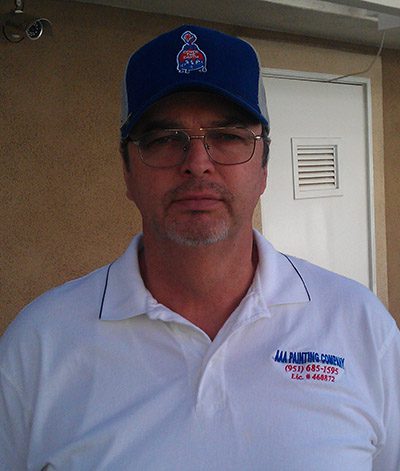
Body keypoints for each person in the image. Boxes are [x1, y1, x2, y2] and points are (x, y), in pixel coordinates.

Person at [1, 24, 399, 471]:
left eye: (228, 136)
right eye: (164, 139)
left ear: (264, 166)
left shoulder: (360, 326)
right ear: (127, 171)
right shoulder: (40, 344)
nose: (197, 164)